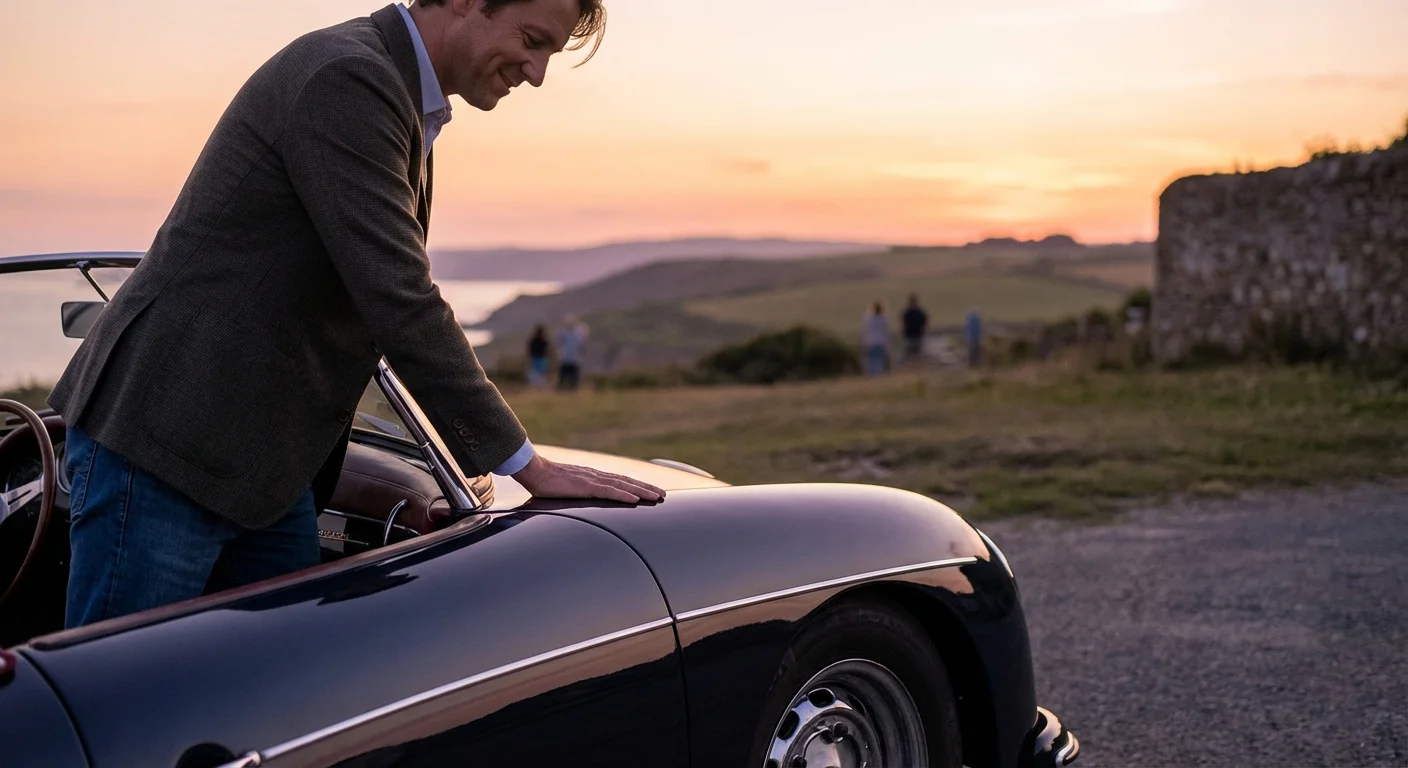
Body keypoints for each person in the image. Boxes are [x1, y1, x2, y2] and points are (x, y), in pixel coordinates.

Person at [48, 0, 665, 630]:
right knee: (122, 702)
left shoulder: (391, 87)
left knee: (282, 692)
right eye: (531, 40)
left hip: (261, 466)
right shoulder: (348, 77)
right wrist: (525, 465)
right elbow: (398, 296)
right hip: (168, 440)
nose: (535, 73)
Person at [555, 316, 588, 390]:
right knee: (567, 379)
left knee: (570, 379)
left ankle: (568, 390)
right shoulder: (566, 333)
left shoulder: (575, 333)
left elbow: (558, 343)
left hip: (571, 359)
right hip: (568, 359)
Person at [861, 302, 890, 377]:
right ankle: (877, 375)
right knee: (879, 361)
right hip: (881, 342)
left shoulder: (869, 319)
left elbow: (866, 331)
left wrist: (864, 342)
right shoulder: (884, 319)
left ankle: (871, 375)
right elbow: (885, 332)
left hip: (870, 342)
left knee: (870, 361)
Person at [900, 294, 928, 360]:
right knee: (918, 356)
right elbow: (925, 325)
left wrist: (903, 333)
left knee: (909, 356)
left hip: (909, 336)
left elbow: (904, 325)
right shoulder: (921, 312)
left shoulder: (906, 313)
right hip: (918, 336)